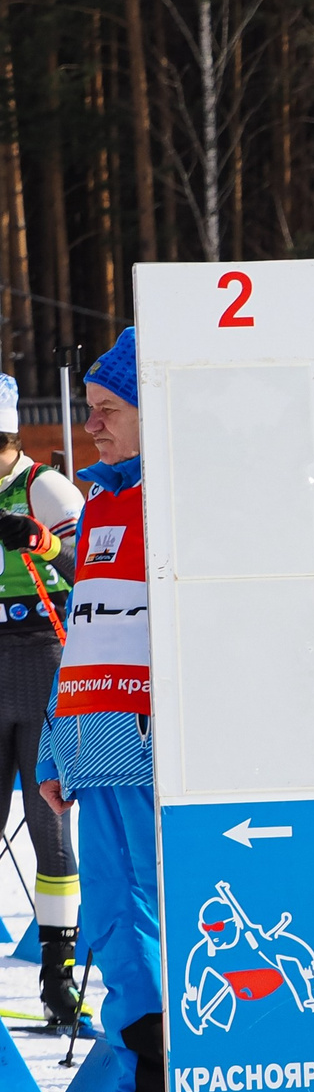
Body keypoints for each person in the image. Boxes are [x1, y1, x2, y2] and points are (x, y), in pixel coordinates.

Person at [39, 331, 167, 1092]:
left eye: (108, 410)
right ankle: (137, 1076)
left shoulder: (177, 506)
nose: (93, 427)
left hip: (152, 748)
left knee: (155, 914)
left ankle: (165, 1083)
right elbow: (82, 637)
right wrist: (57, 749)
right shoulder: (100, 510)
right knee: (114, 920)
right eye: (88, 412)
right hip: (95, 749)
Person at [0, 376, 82, 1030]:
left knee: (49, 825)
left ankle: (58, 974)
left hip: (41, 657)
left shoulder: (45, 486)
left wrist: (41, 541)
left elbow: (91, 564)